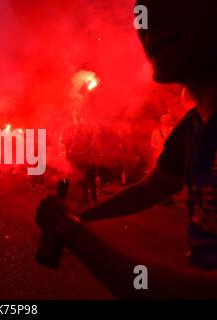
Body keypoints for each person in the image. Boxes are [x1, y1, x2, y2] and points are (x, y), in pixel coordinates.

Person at [36, 0, 217, 298]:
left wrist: (70, 229)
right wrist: (83, 217)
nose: (147, 21)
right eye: (142, 9)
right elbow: (148, 190)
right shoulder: (193, 128)